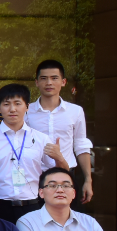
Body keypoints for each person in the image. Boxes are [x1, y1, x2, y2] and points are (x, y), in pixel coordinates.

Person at [0, 83, 68, 224]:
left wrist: (59, 158)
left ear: (27, 106)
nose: (12, 109)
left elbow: (62, 175)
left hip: (33, 206)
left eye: (17, 103)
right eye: (6, 104)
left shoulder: (41, 139)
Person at [29, 60, 94, 204]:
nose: (49, 83)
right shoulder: (27, 111)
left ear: (63, 82)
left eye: (54, 78)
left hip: (66, 175)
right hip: (35, 177)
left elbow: (81, 145)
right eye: (44, 78)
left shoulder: (75, 111)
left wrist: (88, 180)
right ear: (37, 82)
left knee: (67, 216)